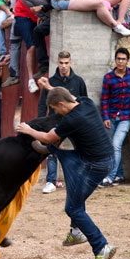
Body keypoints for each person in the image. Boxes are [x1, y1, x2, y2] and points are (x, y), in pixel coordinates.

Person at [16, 86, 117, 259]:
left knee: (73, 208)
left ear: (61, 104)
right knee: (65, 165)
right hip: (102, 158)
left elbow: (46, 137)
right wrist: (48, 88)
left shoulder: (72, 120)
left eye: (55, 109)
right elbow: (64, 94)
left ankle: (101, 246)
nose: (56, 112)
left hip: (93, 165)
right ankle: (76, 231)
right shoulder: (85, 102)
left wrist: (28, 130)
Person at [99, 48, 130, 187]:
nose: (120, 61)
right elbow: (104, 99)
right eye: (118, 59)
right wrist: (105, 117)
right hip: (111, 116)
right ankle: (119, 175)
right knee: (114, 147)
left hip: (126, 117)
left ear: (127, 61)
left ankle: (109, 177)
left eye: (123, 59)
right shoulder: (108, 77)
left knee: (116, 145)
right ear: (115, 60)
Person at [38, 51, 87, 194]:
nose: (64, 66)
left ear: (70, 62)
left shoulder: (79, 81)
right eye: (61, 63)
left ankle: (79, 179)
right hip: (55, 121)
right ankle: (51, 181)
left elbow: (84, 101)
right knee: (52, 150)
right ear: (57, 63)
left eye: (66, 63)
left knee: (80, 150)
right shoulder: (51, 81)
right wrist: (42, 122)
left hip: (74, 121)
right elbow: (43, 104)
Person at [7, 0, 39, 91]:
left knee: (14, 42)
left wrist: (14, 13)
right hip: (34, 14)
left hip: (20, 14)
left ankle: (13, 73)